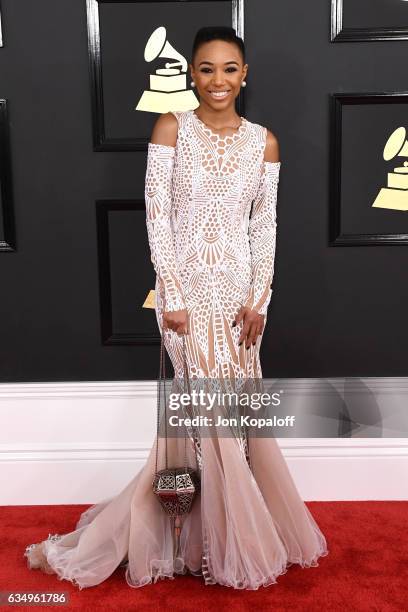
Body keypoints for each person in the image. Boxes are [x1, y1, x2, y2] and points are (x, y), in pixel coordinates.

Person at [24, 25, 328, 590]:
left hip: (240, 294)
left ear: (245, 74)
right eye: (207, 68)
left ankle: (206, 539)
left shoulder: (265, 141)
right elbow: (156, 215)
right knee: (205, 414)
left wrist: (261, 296)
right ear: (192, 73)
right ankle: (216, 541)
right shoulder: (171, 129)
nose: (219, 80)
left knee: (231, 416)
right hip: (186, 295)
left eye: (230, 68)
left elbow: (265, 226)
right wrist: (176, 293)